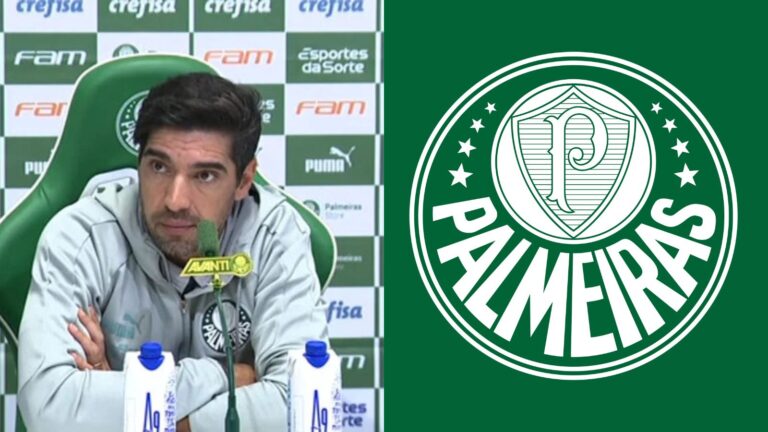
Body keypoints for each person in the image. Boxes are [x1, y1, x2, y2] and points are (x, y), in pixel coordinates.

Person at [17, 73, 328, 431]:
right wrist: (225, 376)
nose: (175, 201)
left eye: (205, 175)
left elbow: (303, 404)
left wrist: (129, 405)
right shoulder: (83, 236)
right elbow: (50, 407)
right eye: (159, 167)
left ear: (244, 180)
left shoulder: (274, 236)